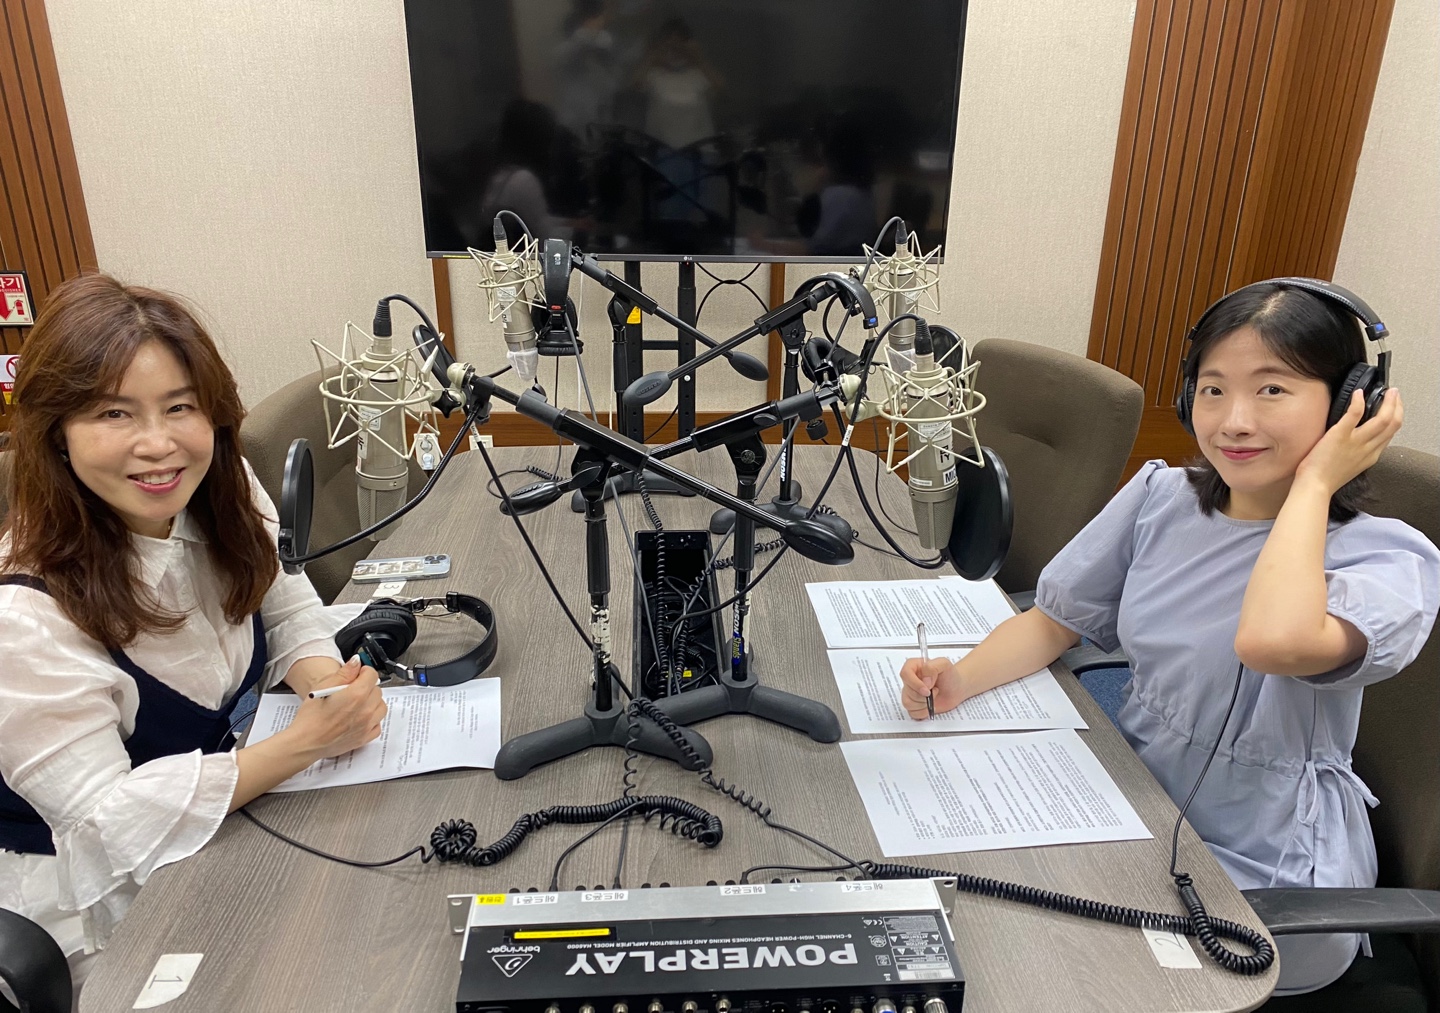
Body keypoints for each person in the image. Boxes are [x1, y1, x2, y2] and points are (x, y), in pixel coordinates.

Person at [898, 281, 1438, 997]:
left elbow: (1272, 641)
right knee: (958, 912)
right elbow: (1055, 621)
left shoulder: (1388, 560)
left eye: (1272, 390)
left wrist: (1314, 485)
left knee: (1039, 974)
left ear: (1348, 406)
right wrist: (959, 679)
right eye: (1213, 390)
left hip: (1268, 877)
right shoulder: (1163, 497)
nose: (1234, 421)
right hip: (1132, 800)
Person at [0, 274, 388, 995]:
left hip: (229, 822)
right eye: (114, 413)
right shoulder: (25, 617)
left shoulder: (218, 483)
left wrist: (327, 687)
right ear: (56, 432)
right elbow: (108, 821)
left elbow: (286, 603)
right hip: (102, 902)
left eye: (180, 407)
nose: (158, 444)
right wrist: (303, 743)